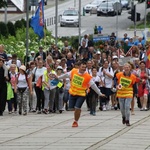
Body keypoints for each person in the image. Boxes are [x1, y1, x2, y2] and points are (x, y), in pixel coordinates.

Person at [54, 61, 105, 127]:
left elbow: (93, 85)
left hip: (81, 94)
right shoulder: (73, 71)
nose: (83, 68)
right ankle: (78, 111)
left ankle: (75, 121)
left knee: (77, 108)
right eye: (82, 67)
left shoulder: (87, 76)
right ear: (79, 67)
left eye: (85, 67)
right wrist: (58, 77)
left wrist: (100, 93)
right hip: (72, 93)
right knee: (71, 108)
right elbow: (66, 75)